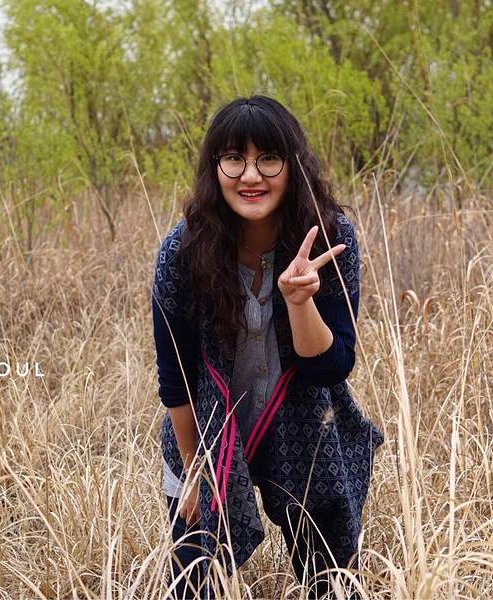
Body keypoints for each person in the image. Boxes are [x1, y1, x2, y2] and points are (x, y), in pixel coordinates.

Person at [151, 95, 384, 599]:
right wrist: (194, 471)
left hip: (304, 424)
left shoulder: (330, 239)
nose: (251, 175)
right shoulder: (183, 252)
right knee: (194, 582)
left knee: (334, 583)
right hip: (206, 434)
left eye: (269, 158)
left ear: (293, 165)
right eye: (234, 158)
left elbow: (332, 368)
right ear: (215, 167)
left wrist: (300, 302)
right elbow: (175, 378)